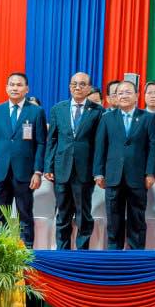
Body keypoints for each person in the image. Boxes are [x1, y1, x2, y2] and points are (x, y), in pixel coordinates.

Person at [0, 72, 47, 246]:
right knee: (0, 215)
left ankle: (26, 251)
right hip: (0, 171)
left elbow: (41, 143)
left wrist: (38, 171)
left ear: (27, 89)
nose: (15, 88)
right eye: (11, 84)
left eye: (19, 85)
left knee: (24, 214)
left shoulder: (36, 112)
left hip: (25, 173)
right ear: (6, 88)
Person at [93, 81, 155, 250]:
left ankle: (136, 253)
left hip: (138, 176)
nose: (123, 96)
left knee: (137, 217)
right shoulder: (107, 118)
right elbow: (100, 147)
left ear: (137, 96)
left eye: (128, 92)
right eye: (120, 93)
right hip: (113, 176)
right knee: (113, 217)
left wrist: (150, 173)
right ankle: (114, 252)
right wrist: (98, 173)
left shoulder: (148, 118)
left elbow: (153, 147)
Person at [44, 72, 103, 250]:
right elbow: (52, 140)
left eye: (82, 84)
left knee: (83, 214)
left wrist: (98, 170)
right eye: (74, 84)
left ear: (89, 88)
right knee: (62, 213)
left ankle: (82, 252)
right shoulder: (58, 109)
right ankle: (62, 252)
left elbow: (99, 144)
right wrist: (48, 166)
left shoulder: (98, 111)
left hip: (85, 170)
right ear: (69, 86)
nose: (78, 87)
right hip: (62, 168)